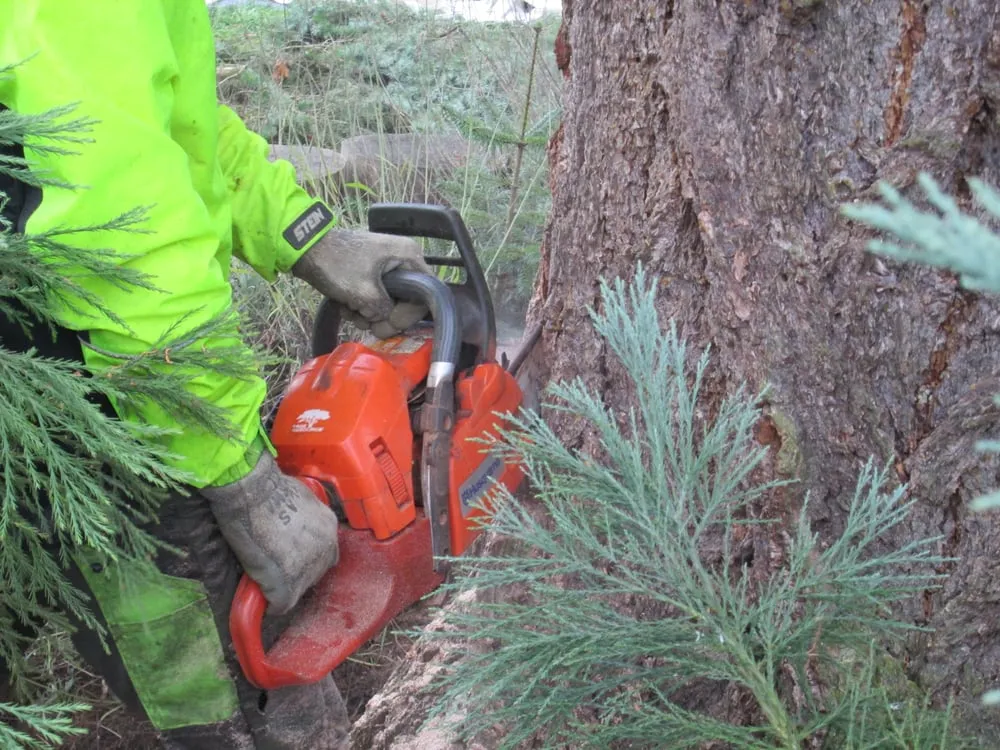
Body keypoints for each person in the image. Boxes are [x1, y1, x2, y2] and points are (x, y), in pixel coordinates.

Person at [0, 2, 432, 748]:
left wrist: (305, 233)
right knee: (238, 672)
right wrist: (238, 473)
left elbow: (162, 116)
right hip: (76, 377)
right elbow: (122, 228)